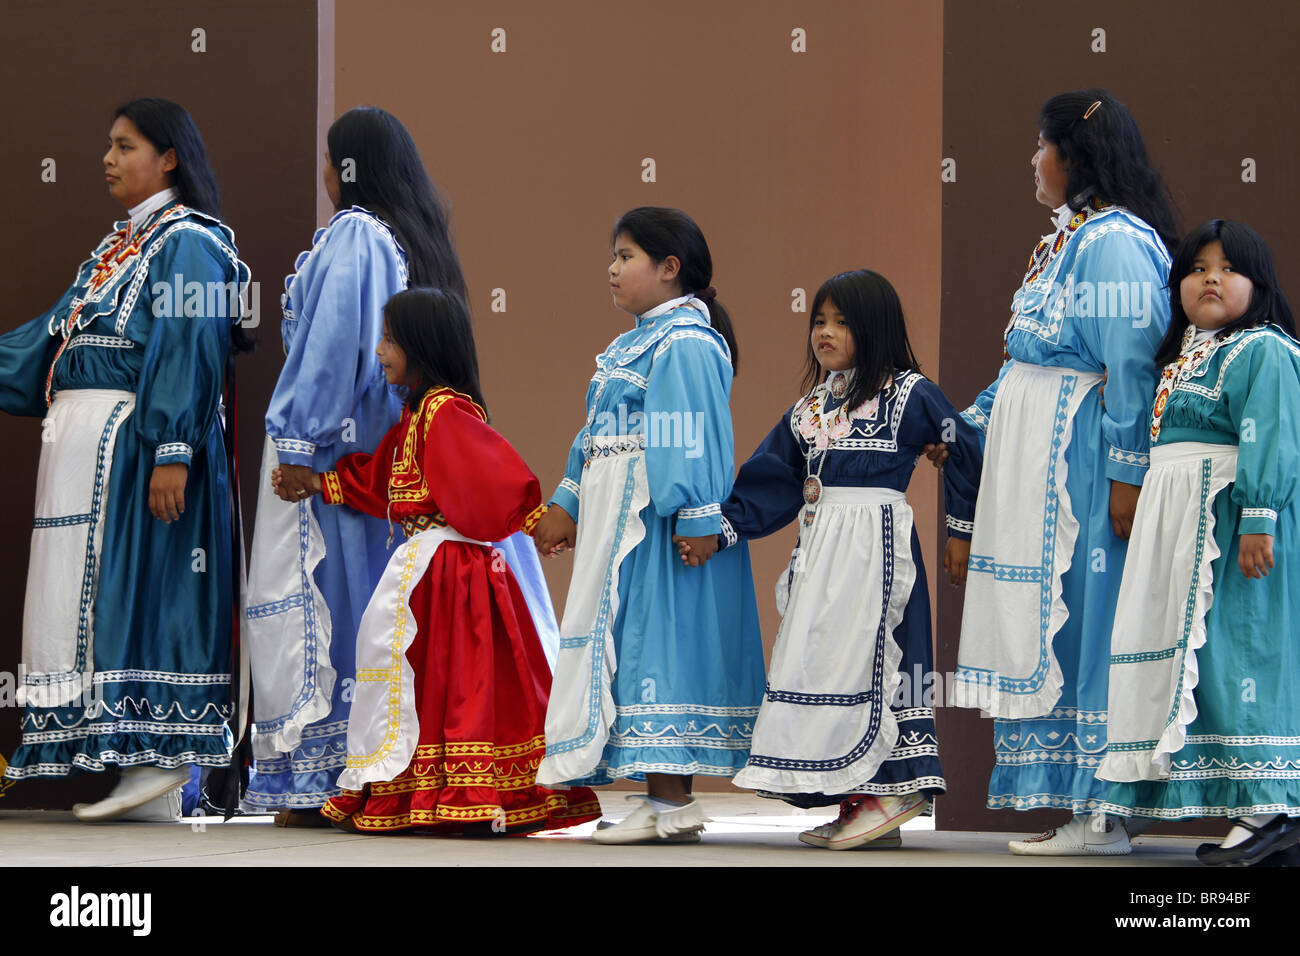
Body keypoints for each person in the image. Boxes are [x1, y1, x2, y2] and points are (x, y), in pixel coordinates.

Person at [244, 107, 559, 824]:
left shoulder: (357, 234)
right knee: (387, 619)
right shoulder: (413, 240)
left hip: (340, 448)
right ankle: (378, 777)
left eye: (330, 158)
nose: (324, 173)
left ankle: (332, 781)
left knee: (348, 609)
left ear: (348, 167)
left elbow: (330, 349)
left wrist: (296, 443)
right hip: (378, 455)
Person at [0, 98, 251, 821]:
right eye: (107, 146)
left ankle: (161, 752)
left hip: (138, 449)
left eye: (124, 145)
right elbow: (47, 341)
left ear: (169, 157)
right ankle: (127, 752)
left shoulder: (189, 242)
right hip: (85, 450)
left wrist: (172, 449)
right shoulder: (116, 250)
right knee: (90, 601)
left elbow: (188, 342)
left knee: (148, 589)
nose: (108, 159)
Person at [942, 89, 1178, 854]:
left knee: (1087, 621)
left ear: (1074, 157)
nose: (1031, 161)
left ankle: (1102, 808)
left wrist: (1125, 474)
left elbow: (1131, 368)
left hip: (1076, 470)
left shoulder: (1114, 242)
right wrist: (962, 429)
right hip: (1036, 464)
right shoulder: (1066, 241)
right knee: (1062, 625)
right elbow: (1023, 364)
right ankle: (1081, 805)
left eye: (1040, 145)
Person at [277, 288, 598, 833]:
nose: (379, 350)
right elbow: (379, 480)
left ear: (421, 347)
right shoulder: (418, 416)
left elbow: (491, 477)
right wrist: (316, 482)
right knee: (417, 682)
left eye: (389, 339)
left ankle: (462, 794)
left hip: (452, 572)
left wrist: (534, 519)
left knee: (453, 681)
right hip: (424, 569)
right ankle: (423, 791)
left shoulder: (447, 412)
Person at [685, 269, 982, 850]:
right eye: (819, 320)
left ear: (875, 329)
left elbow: (966, 443)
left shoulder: (910, 393)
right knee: (825, 660)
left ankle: (890, 790)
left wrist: (960, 531)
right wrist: (719, 529)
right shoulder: (812, 408)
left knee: (878, 658)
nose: (825, 332)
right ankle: (855, 795)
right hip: (821, 550)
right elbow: (774, 479)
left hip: (876, 546)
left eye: (842, 322)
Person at [532, 206, 765, 844]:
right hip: (620, 522)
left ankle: (669, 800)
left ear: (670, 269)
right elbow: (595, 437)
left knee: (656, 646)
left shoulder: (684, 341)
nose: (612, 268)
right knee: (628, 640)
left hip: (659, 528)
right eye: (613, 255)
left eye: (626, 256)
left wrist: (695, 515)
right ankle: (662, 796)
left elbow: (688, 434)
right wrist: (569, 502)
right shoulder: (628, 347)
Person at [1096, 220, 1300, 866]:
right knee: (1206, 669)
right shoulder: (1182, 358)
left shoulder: (1263, 350)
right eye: (1196, 268)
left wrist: (1259, 516)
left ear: (1258, 285)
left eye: (1227, 268)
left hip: (1233, 525)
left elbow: (1272, 431)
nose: (1210, 278)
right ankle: (1251, 807)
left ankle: (1272, 807)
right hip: (1182, 528)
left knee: (1244, 656)